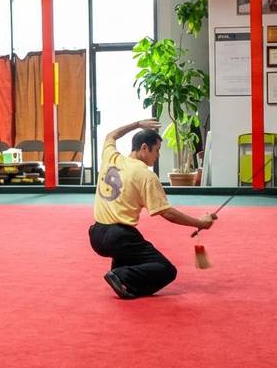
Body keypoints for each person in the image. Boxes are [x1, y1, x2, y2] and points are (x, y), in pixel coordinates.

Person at [89, 119, 218, 299]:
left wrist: (137, 124)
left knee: (135, 240)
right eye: (156, 150)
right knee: (166, 270)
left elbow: (111, 135)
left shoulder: (112, 157)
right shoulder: (146, 175)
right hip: (118, 237)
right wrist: (200, 223)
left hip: (96, 235)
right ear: (144, 148)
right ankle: (122, 275)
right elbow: (168, 213)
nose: (157, 155)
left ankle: (119, 270)